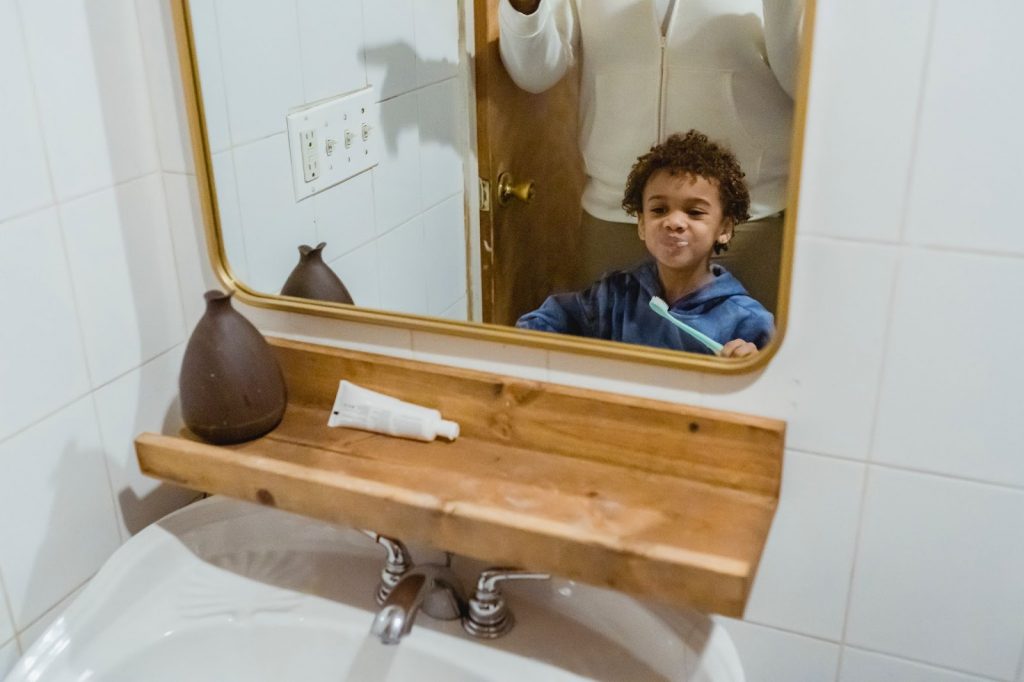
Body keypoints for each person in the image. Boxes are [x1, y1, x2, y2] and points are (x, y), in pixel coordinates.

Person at [499, 0, 803, 304]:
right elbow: (534, 74)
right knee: (611, 349)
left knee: (741, 346)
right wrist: (526, 9)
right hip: (615, 219)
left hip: (743, 224)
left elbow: (806, 80)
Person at [516, 130, 773, 358]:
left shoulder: (747, 320)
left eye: (694, 212)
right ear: (641, 224)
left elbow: (776, 386)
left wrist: (750, 365)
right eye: (659, 210)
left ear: (725, 229)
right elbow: (543, 323)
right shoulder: (614, 296)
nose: (674, 222)